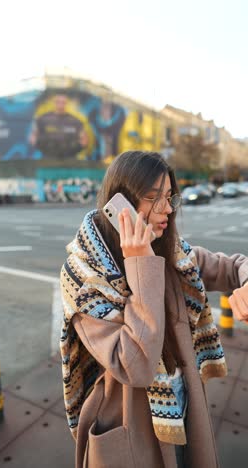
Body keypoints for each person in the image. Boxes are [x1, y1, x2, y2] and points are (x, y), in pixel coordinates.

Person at [60, 151, 248, 468]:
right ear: (119, 204)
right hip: (131, 429)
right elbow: (136, 367)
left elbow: (233, 266)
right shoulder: (84, 279)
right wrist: (141, 265)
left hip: (184, 403)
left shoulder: (174, 252)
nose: (167, 209)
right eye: (152, 197)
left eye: (169, 197)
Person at [29, 94, 88, 160]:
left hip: (69, 159)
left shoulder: (75, 121)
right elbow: (33, 137)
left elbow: (84, 141)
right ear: (54, 103)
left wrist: (72, 151)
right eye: (58, 102)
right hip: (48, 159)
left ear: (66, 103)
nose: (60, 104)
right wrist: (46, 150)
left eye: (63, 102)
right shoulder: (43, 119)